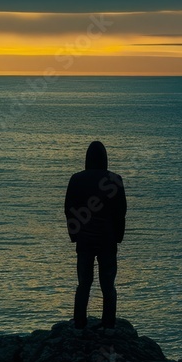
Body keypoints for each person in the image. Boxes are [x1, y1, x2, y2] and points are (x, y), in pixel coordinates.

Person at [65, 141, 127, 330]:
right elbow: (121, 211)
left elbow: (69, 209)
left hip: (84, 238)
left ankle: (79, 322)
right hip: (107, 239)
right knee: (108, 284)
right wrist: (118, 236)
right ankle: (108, 324)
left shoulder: (76, 179)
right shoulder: (114, 179)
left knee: (84, 283)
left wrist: (74, 234)